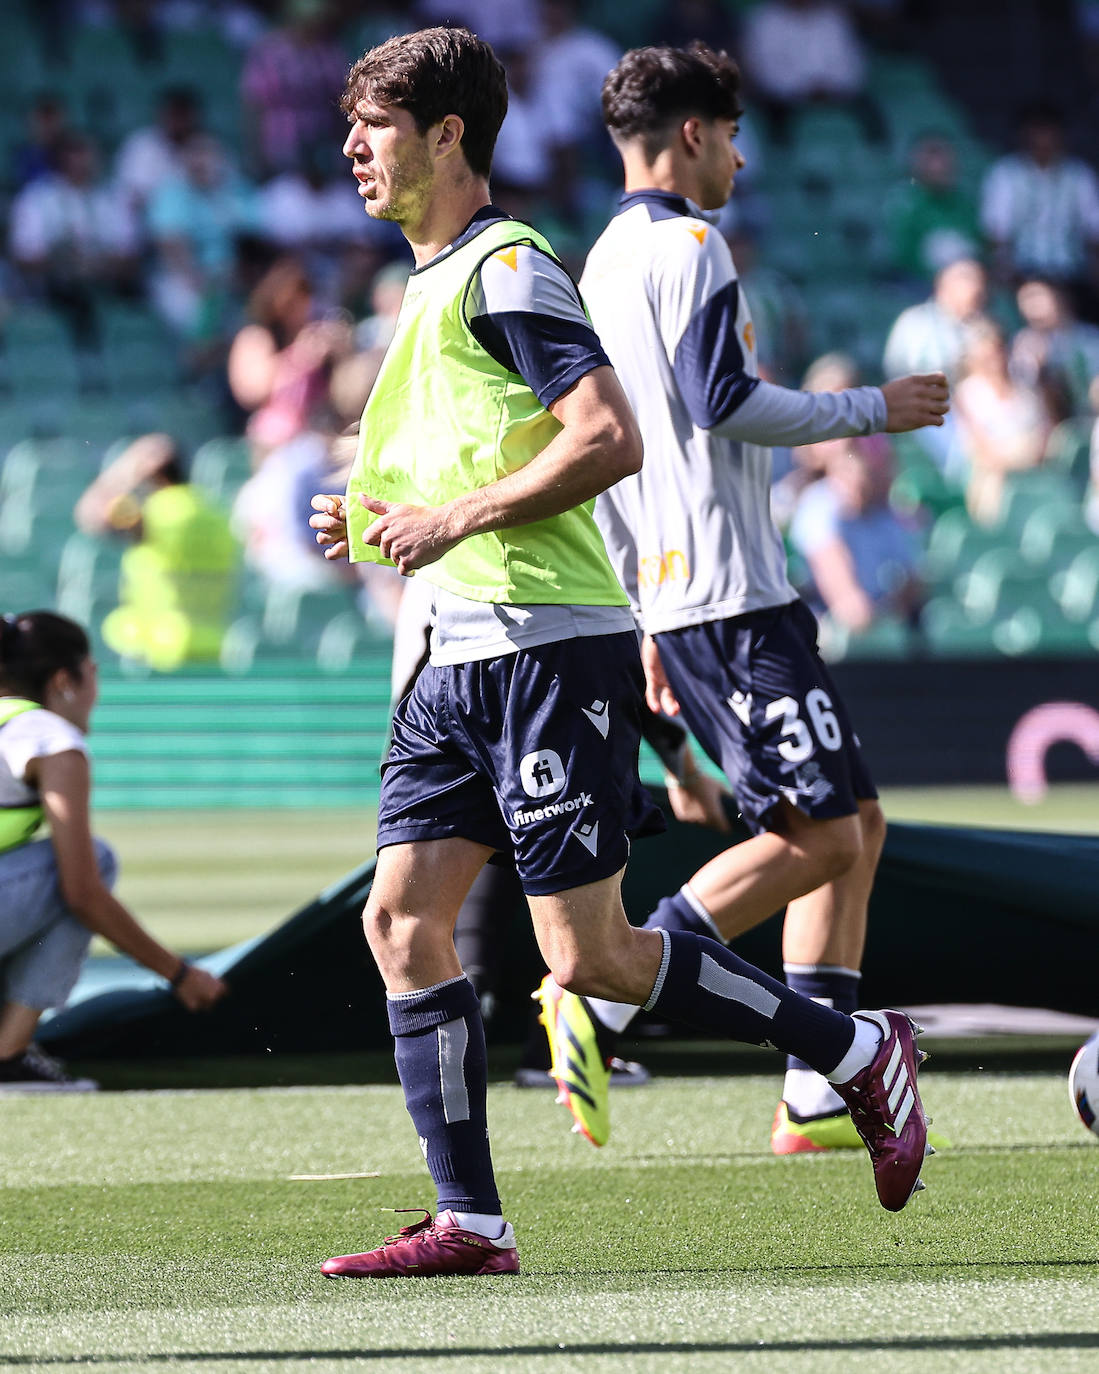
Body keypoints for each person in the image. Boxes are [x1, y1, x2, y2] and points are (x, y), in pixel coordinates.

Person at [308, 26, 930, 1281]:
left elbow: (607, 437)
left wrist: (448, 521)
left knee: (590, 956)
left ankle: (853, 1052)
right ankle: (471, 1222)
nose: (350, 151)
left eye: (372, 127)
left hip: (543, 650)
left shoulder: (511, 266)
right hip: (455, 653)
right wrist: (380, 524)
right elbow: (461, 473)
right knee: (398, 921)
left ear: (447, 136)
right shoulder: (431, 286)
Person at [534, 41, 946, 1164]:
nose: (743, 158)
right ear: (693, 137)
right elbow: (722, 403)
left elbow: (600, 450)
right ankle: (604, 996)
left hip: (688, 598)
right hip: (729, 600)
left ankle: (816, 1087)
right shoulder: (693, 247)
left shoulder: (594, 269)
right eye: (731, 135)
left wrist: (635, 614)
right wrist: (873, 407)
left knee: (856, 825)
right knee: (817, 833)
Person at [0, 612, 227, 1092]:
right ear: (65, 680)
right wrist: (180, 974)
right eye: (94, 672)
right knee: (92, 862)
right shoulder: (49, 737)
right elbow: (82, 892)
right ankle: (9, 1054)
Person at [74, 433, 240, 671]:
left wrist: (124, 469)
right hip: (214, 641)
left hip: (157, 645)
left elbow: (90, 515)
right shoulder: (215, 512)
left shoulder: (154, 513)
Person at [980, 102, 1099, 322]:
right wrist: (1006, 274)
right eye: (1037, 133)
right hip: (1023, 273)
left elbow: (1093, 233)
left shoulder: (1080, 175)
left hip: (1072, 274)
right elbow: (996, 235)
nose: (1044, 141)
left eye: (1050, 133)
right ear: (1024, 136)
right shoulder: (1005, 174)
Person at [954, 318, 1051, 526]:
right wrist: (1020, 454)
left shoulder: (1027, 388)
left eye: (998, 352)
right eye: (986, 356)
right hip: (995, 476)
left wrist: (1034, 453)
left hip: (1038, 469)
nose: (994, 361)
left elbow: (1047, 432)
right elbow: (981, 450)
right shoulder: (968, 394)